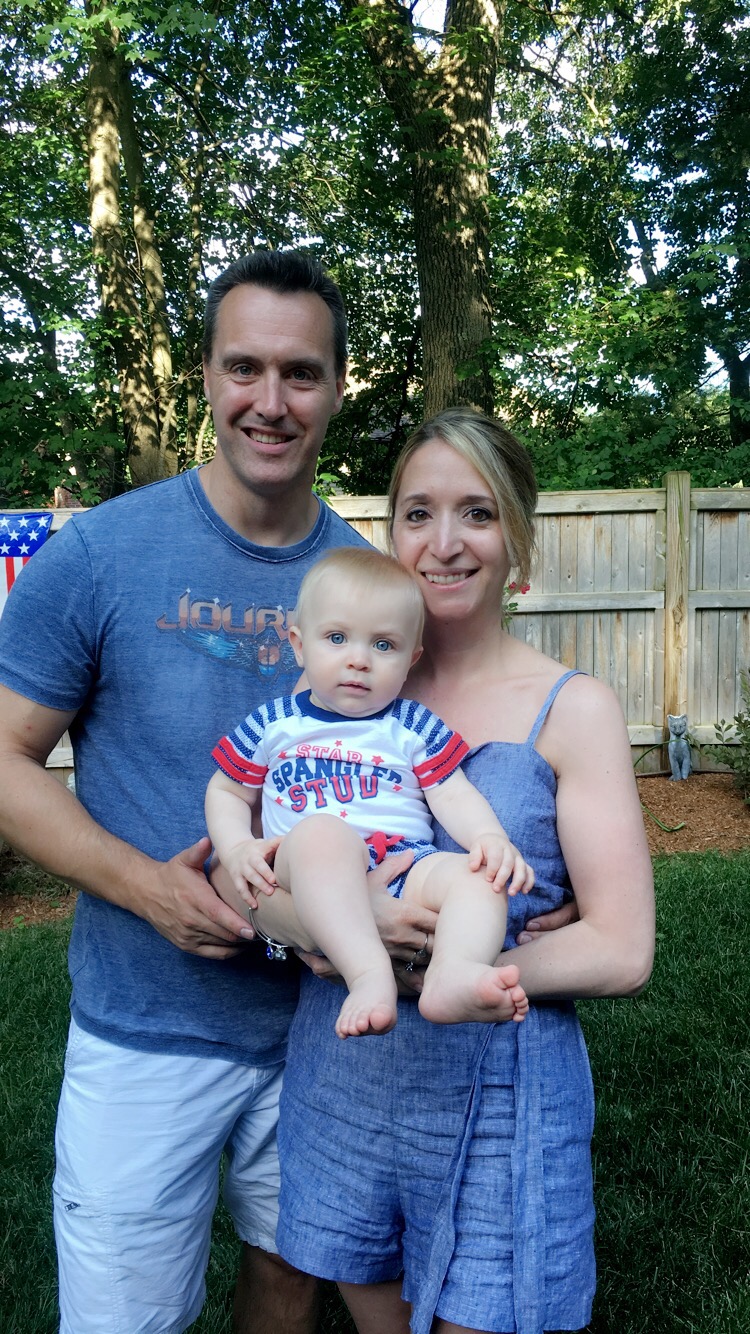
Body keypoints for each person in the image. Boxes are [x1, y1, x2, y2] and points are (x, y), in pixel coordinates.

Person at [0, 251, 437, 1333]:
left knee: (290, 1287)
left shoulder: (370, 586)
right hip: (145, 1031)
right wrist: (146, 887)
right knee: (124, 1316)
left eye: (301, 372)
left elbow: (429, 768)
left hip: (323, 1030)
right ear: (205, 375)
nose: (271, 401)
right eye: (245, 367)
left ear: (338, 387)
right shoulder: (101, 553)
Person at [244, 408, 655, 1334]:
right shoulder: (333, 694)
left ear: (518, 537)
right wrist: (318, 927)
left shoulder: (572, 708)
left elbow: (622, 949)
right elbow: (261, 883)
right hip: (348, 1077)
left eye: (476, 512)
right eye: (417, 512)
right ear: (391, 532)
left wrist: (446, 966)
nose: (443, 542)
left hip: (497, 1092)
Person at [206, 546, 533, 1039]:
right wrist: (236, 848)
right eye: (337, 638)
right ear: (299, 645)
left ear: (411, 659)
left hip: (403, 861)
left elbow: (452, 793)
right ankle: (368, 974)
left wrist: (489, 838)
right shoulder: (275, 723)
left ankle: (453, 973)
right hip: (310, 864)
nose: (358, 660)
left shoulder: (412, 726)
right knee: (323, 834)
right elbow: (228, 791)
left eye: (383, 645)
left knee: (479, 880)